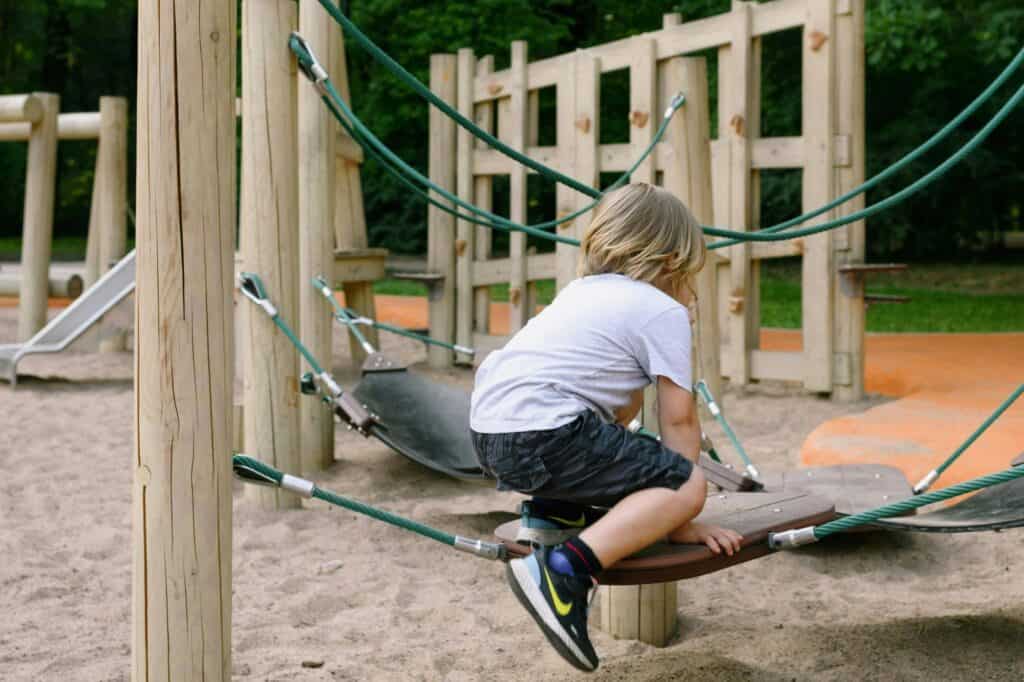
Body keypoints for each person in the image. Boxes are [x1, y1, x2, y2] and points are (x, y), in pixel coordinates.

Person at [469, 183, 742, 672]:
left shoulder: (580, 295)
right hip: (547, 430)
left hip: (490, 432)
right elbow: (678, 419)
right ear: (672, 262)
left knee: (610, 442)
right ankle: (565, 571)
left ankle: (554, 516)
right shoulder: (662, 310)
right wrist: (681, 513)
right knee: (686, 481)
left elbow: (617, 412)